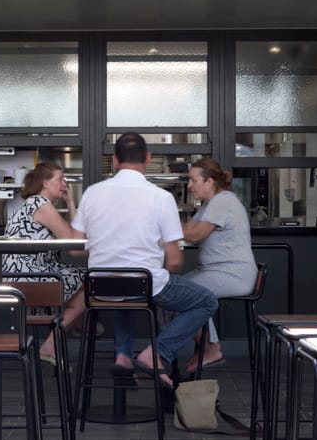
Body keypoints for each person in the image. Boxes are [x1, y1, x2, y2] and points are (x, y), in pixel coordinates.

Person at [70, 131, 217, 386]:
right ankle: (156, 353)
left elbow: (76, 248)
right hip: (143, 285)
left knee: (122, 288)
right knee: (206, 301)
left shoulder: (92, 193)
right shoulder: (161, 197)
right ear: (148, 158)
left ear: (115, 160)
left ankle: (123, 357)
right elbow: (174, 261)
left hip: (99, 286)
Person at [2, 162, 87, 363]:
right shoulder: (40, 204)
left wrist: (71, 203)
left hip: (22, 275)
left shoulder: (34, 203)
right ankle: (62, 336)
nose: (64, 184)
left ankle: (56, 341)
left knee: (84, 288)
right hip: (24, 279)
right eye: (60, 178)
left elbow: (74, 239)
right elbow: (75, 246)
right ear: (45, 183)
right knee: (90, 280)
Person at [181, 157, 256, 373]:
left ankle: (210, 348)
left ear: (209, 182)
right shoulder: (209, 206)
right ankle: (202, 347)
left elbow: (194, 234)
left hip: (232, 273)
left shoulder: (223, 201)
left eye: (193, 180)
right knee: (171, 291)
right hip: (217, 270)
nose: (189, 186)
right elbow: (187, 229)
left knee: (181, 294)